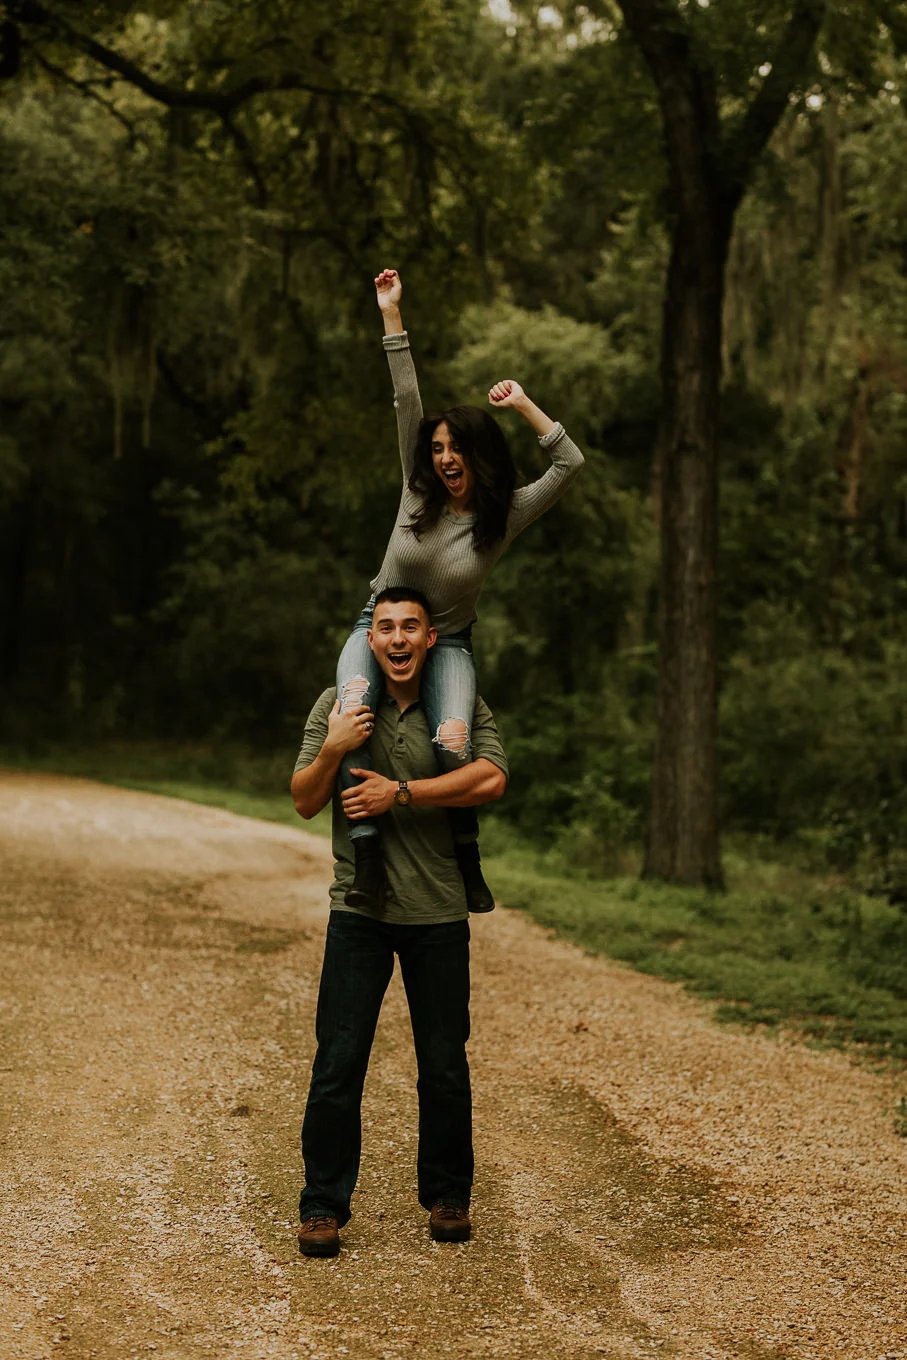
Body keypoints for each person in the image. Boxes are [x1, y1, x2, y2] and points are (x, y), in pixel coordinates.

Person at [336, 268, 584, 914]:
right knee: (351, 714)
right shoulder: (415, 490)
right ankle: (366, 860)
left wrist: (524, 403)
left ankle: (464, 852)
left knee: (451, 738)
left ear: (479, 456)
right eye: (439, 448)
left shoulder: (502, 518)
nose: (445, 458)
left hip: (445, 639)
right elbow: (406, 398)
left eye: (457, 449)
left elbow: (569, 464)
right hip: (377, 624)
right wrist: (391, 314)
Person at [291, 587, 509, 1257]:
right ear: (371, 638)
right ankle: (323, 1206)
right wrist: (333, 749)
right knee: (338, 1062)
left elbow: (492, 779)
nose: (397, 637)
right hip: (358, 909)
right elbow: (303, 799)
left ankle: (448, 1197)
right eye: (384, 626)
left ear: (429, 639)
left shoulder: (458, 707)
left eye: (409, 626)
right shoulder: (340, 702)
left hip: (438, 913)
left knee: (443, 1065)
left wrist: (401, 792)